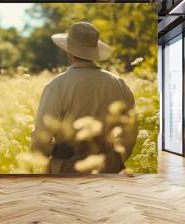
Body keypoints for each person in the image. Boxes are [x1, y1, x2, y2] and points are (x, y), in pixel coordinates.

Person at [30, 22, 138, 174]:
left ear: (69, 51)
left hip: (65, 169)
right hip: (108, 168)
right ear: (94, 50)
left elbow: (42, 135)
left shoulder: (56, 86)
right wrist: (117, 160)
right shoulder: (118, 84)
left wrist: (40, 162)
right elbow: (130, 130)